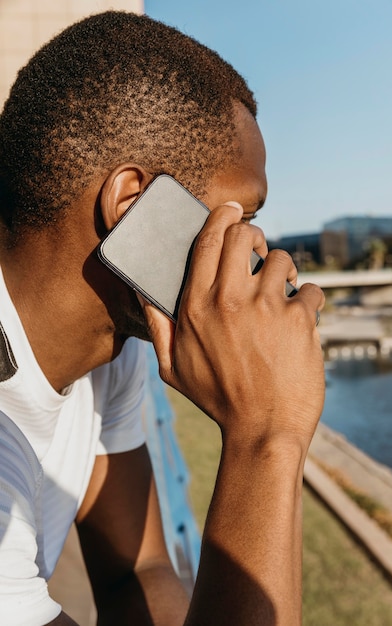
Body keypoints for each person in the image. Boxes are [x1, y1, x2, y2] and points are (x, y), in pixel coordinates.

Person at [0, 11, 325, 626]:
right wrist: (266, 437)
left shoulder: (109, 359)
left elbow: (137, 571)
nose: (258, 249)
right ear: (132, 205)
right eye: (243, 214)